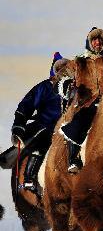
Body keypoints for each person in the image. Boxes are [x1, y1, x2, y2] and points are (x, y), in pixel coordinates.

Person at [10, 54, 70, 191]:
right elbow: (26, 105)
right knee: (41, 141)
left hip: (67, 128)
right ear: (54, 71)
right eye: (60, 69)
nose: (63, 72)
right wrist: (19, 124)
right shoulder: (44, 87)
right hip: (45, 126)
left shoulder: (72, 88)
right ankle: (29, 178)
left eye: (66, 69)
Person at [61, 26, 103, 172]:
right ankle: (74, 159)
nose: (97, 43)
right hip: (86, 102)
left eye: (100, 41)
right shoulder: (79, 60)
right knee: (79, 121)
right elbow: (64, 74)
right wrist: (67, 84)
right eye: (94, 40)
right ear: (89, 42)